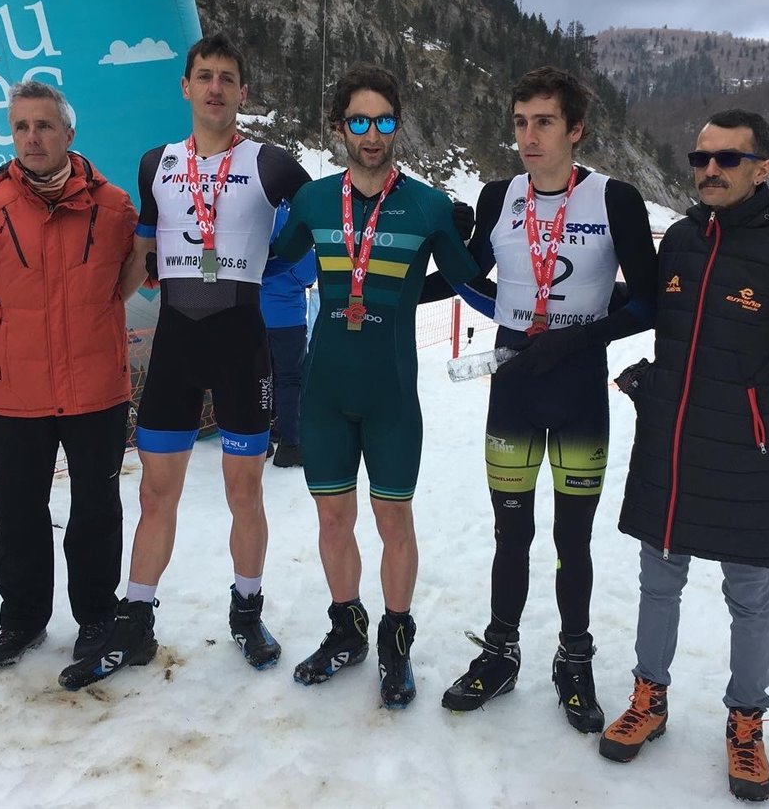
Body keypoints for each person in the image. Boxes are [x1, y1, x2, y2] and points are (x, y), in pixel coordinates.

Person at [601, 109, 769, 802]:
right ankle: (649, 699)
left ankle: (746, 723)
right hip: (672, 445)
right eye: (700, 158)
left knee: (748, 595)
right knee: (659, 581)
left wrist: (756, 397)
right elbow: (666, 320)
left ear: (763, 168)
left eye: (727, 159)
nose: (709, 170)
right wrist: (654, 379)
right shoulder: (684, 240)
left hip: (748, 452)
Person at [59, 34, 311, 690]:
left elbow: (322, 218)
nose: (215, 88)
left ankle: (247, 610)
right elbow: (142, 250)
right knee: (154, 492)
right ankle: (136, 621)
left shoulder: (270, 163)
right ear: (186, 86)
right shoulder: (157, 163)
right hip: (176, 344)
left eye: (227, 77)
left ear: (243, 92)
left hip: (243, 345)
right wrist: (96, 316)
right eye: (205, 76)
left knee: (244, 491)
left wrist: (284, 263)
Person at [421, 66, 658, 734]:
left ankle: (574, 658)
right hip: (515, 389)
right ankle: (501, 652)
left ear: (576, 129)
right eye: (521, 122)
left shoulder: (615, 199)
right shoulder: (499, 195)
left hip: (577, 387)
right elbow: (465, 275)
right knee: (511, 533)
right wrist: (411, 268)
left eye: (544, 122)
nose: (528, 136)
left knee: (572, 539)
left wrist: (579, 338)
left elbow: (648, 302)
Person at [272, 64, 479, 709]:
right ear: (339, 127)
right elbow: (267, 260)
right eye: (358, 121)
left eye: (383, 121)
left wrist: (484, 229)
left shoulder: (428, 206)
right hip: (325, 395)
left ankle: (395, 640)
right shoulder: (313, 202)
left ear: (397, 125)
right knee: (333, 519)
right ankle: (347, 632)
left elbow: (473, 280)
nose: (371, 134)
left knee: (394, 519)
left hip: (391, 398)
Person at [0, 80, 138, 670]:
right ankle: (23, 620)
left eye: (44, 125)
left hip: (96, 391)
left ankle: (97, 614)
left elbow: (143, 271)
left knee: (96, 512)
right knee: (18, 515)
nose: (32, 137)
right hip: (14, 395)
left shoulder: (113, 207)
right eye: (22, 126)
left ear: (68, 133)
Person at [261, 205, 316, 468]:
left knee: (258, 379)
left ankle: (259, 441)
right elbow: (307, 271)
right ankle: (290, 444)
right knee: (290, 380)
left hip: (251, 314)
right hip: (286, 318)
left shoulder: (252, 213)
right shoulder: (289, 218)